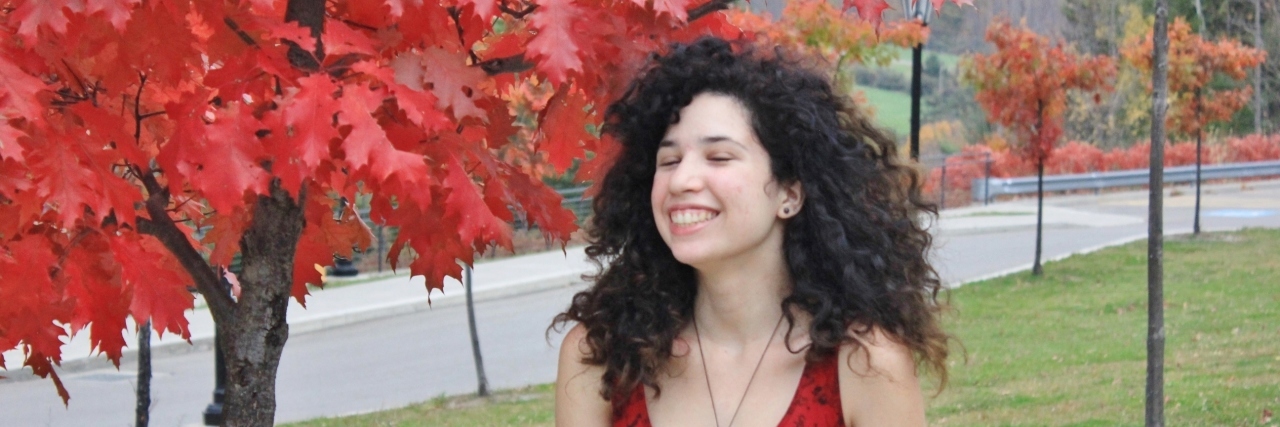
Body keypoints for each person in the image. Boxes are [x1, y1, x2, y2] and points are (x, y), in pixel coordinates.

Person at [552, 36, 950, 427]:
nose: (682, 180)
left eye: (719, 157)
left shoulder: (865, 364)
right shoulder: (601, 357)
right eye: (669, 160)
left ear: (789, 193)